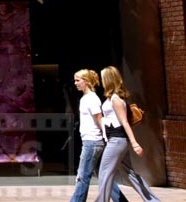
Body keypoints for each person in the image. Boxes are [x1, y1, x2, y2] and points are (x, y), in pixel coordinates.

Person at [93, 66, 161, 202]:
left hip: (117, 140)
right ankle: (153, 200)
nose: (101, 80)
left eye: (102, 78)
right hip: (116, 140)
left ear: (109, 79)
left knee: (104, 173)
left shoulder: (115, 99)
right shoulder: (111, 98)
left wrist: (135, 143)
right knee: (129, 174)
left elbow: (124, 122)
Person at [69, 69, 128, 202]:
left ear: (87, 81)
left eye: (78, 80)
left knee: (83, 176)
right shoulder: (86, 98)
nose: (75, 83)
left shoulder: (92, 99)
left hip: (92, 142)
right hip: (92, 142)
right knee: (105, 176)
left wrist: (107, 139)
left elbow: (100, 120)